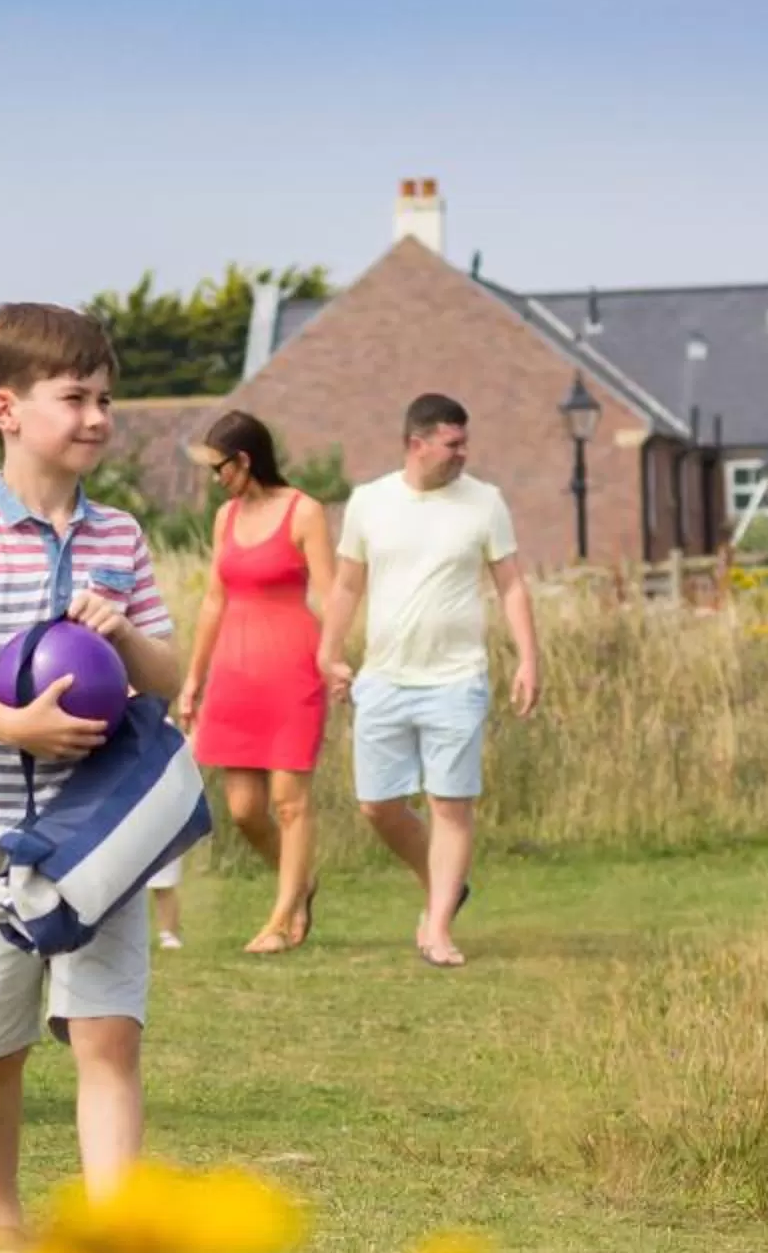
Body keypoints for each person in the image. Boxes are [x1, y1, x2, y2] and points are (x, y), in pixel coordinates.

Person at [0, 304, 182, 1253]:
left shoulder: (123, 538)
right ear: (6, 409)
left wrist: (127, 633)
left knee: (109, 1038)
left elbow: (172, 678)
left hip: (102, 835)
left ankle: (113, 1249)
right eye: (76, 398)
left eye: (106, 397)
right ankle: (1, 1222)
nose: (98, 416)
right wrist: (14, 724)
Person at [314, 392, 541, 969]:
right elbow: (345, 586)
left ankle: (438, 925)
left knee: (450, 805)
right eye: (453, 443)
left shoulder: (485, 503)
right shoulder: (370, 502)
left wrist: (528, 659)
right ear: (418, 444)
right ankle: (442, 880)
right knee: (377, 805)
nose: (464, 453)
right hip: (384, 678)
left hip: (456, 680)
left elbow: (511, 585)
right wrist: (329, 650)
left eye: (465, 442)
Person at [182, 410, 335, 952]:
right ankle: (301, 885)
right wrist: (192, 679)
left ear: (245, 460)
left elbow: (329, 594)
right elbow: (214, 600)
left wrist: (335, 656)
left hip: (294, 671)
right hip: (234, 673)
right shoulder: (225, 519)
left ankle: (281, 919)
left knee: (291, 803)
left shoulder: (305, 513)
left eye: (220, 467)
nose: (215, 478)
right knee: (246, 810)